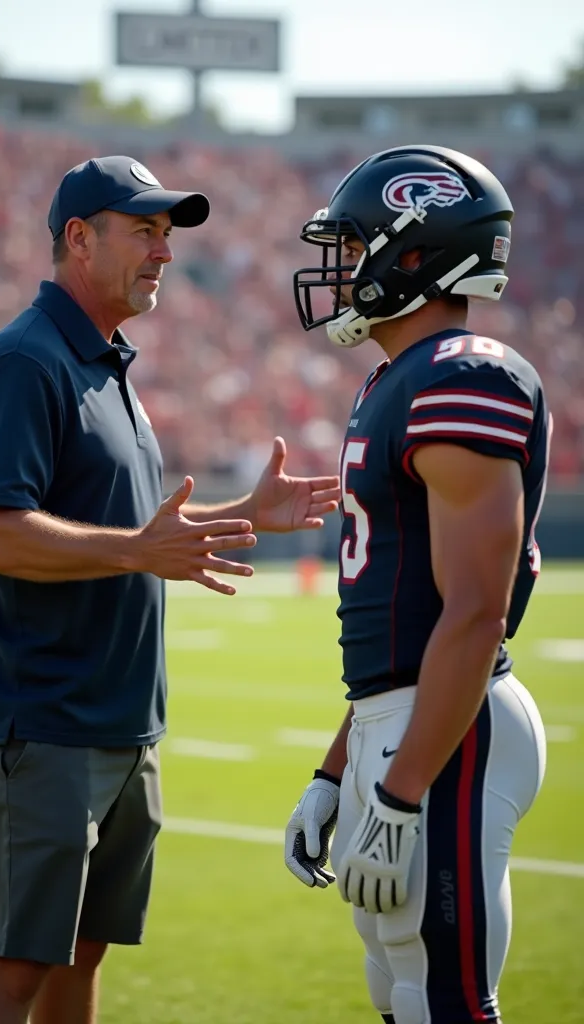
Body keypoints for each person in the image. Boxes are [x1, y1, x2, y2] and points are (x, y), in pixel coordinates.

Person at [0, 154, 340, 1024]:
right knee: (15, 965)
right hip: (42, 721)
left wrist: (246, 514)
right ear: (79, 238)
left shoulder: (105, 361)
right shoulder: (25, 361)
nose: (164, 252)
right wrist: (135, 549)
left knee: (81, 959)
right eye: (145, 232)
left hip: (121, 721)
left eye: (168, 234)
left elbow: (130, 532)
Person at [284, 144, 550, 1024]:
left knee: (445, 1001)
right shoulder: (395, 379)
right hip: (400, 720)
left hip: (448, 730)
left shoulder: (460, 373)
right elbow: (402, 618)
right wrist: (340, 764)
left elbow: (475, 611)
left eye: (351, 246)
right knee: (399, 992)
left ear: (412, 254)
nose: (337, 269)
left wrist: (399, 792)